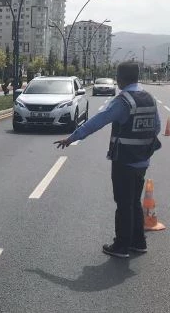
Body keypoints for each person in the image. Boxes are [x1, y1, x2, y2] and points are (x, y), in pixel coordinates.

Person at [55, 62, 161, 258]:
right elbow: (157, 128)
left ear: (120, 78)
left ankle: (121, 246)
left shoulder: (124, 101)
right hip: (143, 160)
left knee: (123, 202)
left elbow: (98, 121)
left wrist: (72, 138)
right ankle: (139, 242)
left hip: (124, 160)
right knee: (135, 201)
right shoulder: (150, 98)